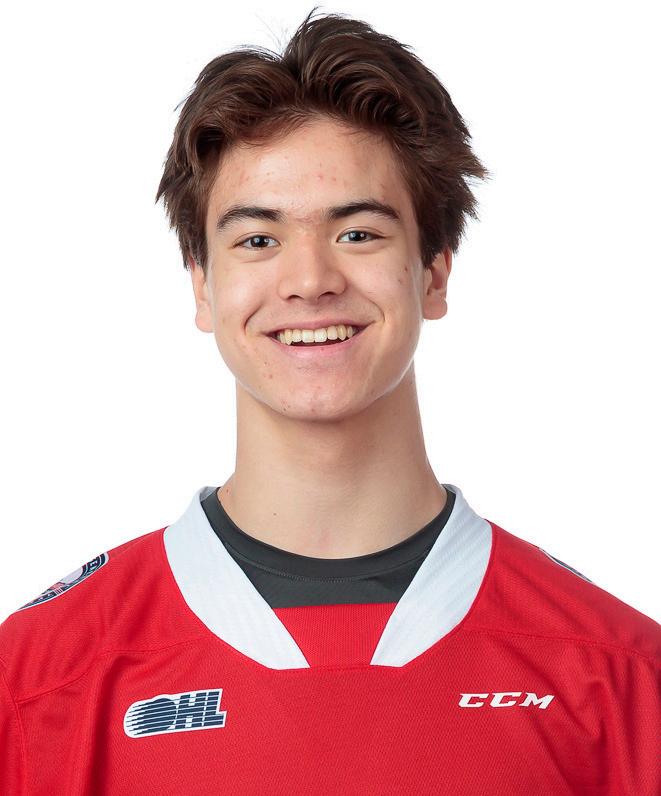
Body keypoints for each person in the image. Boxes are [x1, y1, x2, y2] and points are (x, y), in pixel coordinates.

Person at [1, 8, 659, 794]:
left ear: (434, 272)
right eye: (258, 239)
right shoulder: (38, 681)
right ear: (202, 286)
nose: (310, 280)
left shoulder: (619, 675)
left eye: (358, 234)